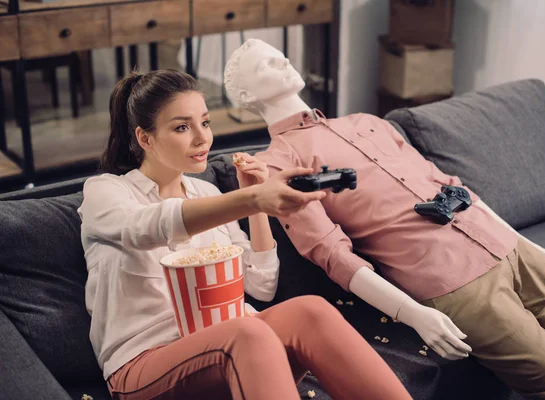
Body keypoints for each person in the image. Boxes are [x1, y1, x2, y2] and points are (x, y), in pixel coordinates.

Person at [223, 39, 545, 399]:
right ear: (243, 96)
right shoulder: (277, 167)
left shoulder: (366, 122)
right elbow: (331, 254)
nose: (284, 61)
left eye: (280, 55)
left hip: (511, 248)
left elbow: (451, 184)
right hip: (458, 285)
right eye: (267, 64)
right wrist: (414, 314)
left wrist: (526, 242)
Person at [77, 69, 412, 400]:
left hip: (234, 347)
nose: (202, 138)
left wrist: (256, 203)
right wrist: (247, 199)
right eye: (182, 127)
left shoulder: (208, 194)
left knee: (312, 311)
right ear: (145, 138)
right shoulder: (106, 192)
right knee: (247, 331)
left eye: (205, 123)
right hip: (145, 363)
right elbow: (144, 228)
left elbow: (261, 285)